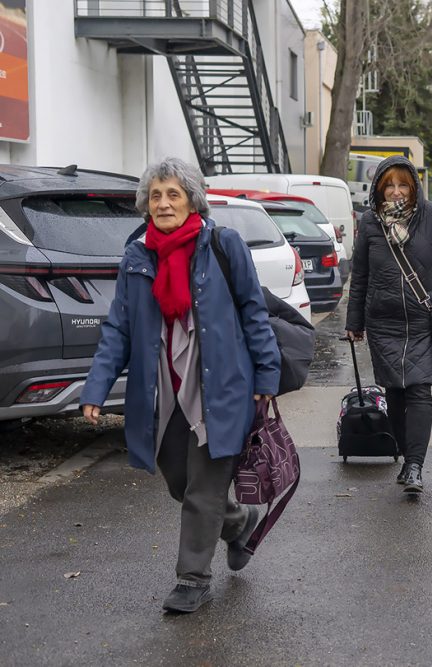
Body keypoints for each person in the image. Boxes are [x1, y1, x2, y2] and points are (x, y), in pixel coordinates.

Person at [80, 157, 281, 614]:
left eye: (173, 194)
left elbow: (254, 312)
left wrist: (266, 375)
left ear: (193, 200)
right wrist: (96, 387)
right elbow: (119, 328)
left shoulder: (223, 245)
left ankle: (192, 579)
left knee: (203, 488)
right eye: (155, 195)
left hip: (220, 387)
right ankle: (239, 522)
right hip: (164, 392)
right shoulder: (137, 256)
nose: (164, 203)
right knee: (178, 480)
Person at [346, 156, 432, 494]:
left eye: (403, 185)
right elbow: (360, 274)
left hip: (423, 321)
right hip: (383, 323)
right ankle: (404, 453)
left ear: (414, 187)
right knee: (394, 392)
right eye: (389, 186)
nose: (396, 192)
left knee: (420, 390)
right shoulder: (370, 222)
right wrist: (354, 321)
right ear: (379, 189)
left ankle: (414, 467)